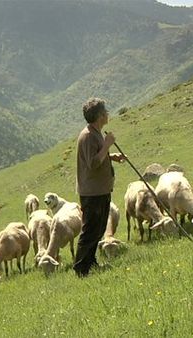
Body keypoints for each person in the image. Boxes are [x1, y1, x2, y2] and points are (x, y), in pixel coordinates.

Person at [74, 98, 125, 277]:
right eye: (105, 111)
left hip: (100, 190)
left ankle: (90, 263)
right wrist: (107, 145)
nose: (108, 114)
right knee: (90, 231)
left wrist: (112, 156)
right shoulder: (88, 136)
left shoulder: (95, 133)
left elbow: (98, 156)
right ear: (100, 116)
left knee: (98, 228)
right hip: (92, 192)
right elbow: (93, 163)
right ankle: (81, 269)